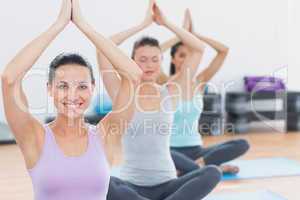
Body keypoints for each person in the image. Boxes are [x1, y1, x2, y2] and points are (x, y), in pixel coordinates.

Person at [1, 0, 142, 199]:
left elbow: (133, 75)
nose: (73, 95)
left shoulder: (106, 135)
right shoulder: (34, 136)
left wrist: (83, 25)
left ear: (92, 88)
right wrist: (58, 24)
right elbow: (9, 78)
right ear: (49, 89)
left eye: (82, 86)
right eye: (63, 86)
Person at [96, 1, 221, 200]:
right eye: (143, 59)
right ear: (132, 62)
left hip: (169, 184)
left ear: (162, 61)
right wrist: (142, 25)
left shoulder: (171, 91)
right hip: (132, 185)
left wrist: (167, 23)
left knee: (212, 172)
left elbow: (198, 49)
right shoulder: (122, 92)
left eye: (155, 59)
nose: (149, 65)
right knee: (101, 180)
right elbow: (102, 47)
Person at [159, 9, 250, 175]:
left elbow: (224, 51)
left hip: (197, 151)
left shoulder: (200, 82)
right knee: (157, 156)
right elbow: (155, 52)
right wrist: (180, 35)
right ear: (173, 59)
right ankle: (209, 168)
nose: (186, 59)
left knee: (242, 144)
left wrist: (195, 35)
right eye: (181, 55)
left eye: (189, 55)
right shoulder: (164, 82)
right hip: (171, 152)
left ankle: (198, 166)